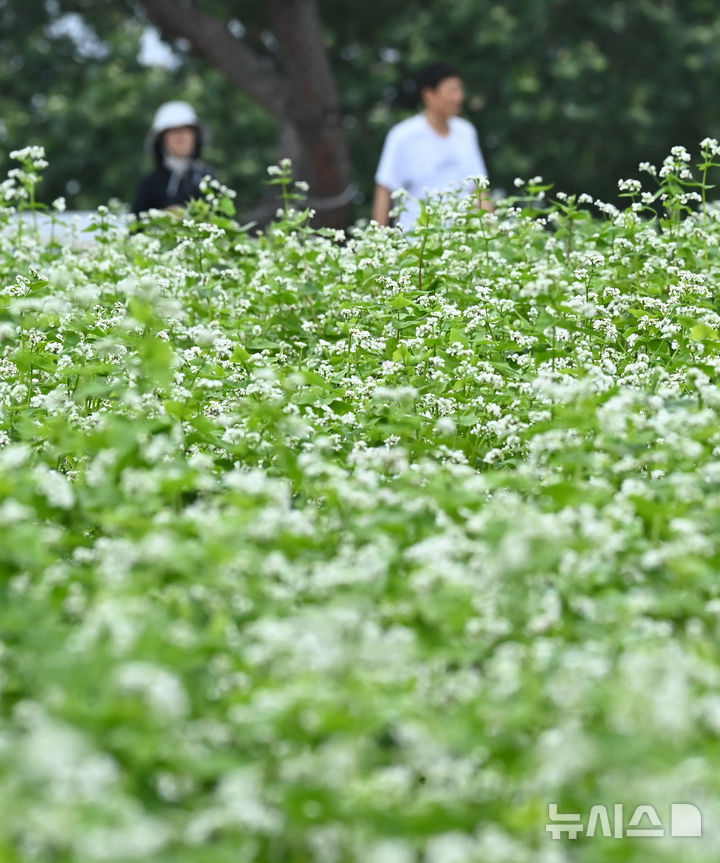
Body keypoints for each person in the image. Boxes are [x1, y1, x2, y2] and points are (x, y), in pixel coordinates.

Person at [372, 62, 492, 230]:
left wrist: (493, 235)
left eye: (459, 90)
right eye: (451, 90)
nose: (459, 97)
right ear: (429, 94)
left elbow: (479, 190)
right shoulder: (403, 136)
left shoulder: (466, 132)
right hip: (418, 243)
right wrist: (378, 242)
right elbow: (385, 189)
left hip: (463, 241)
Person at [133, 100, 211, 214]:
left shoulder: (207, 178)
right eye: (174, 132)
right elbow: (135, 224)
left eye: (185, 131)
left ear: (195, 137)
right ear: (162, 140)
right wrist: (162, 218)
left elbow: (224, 221)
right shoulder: (151, 183)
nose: (180, 138)